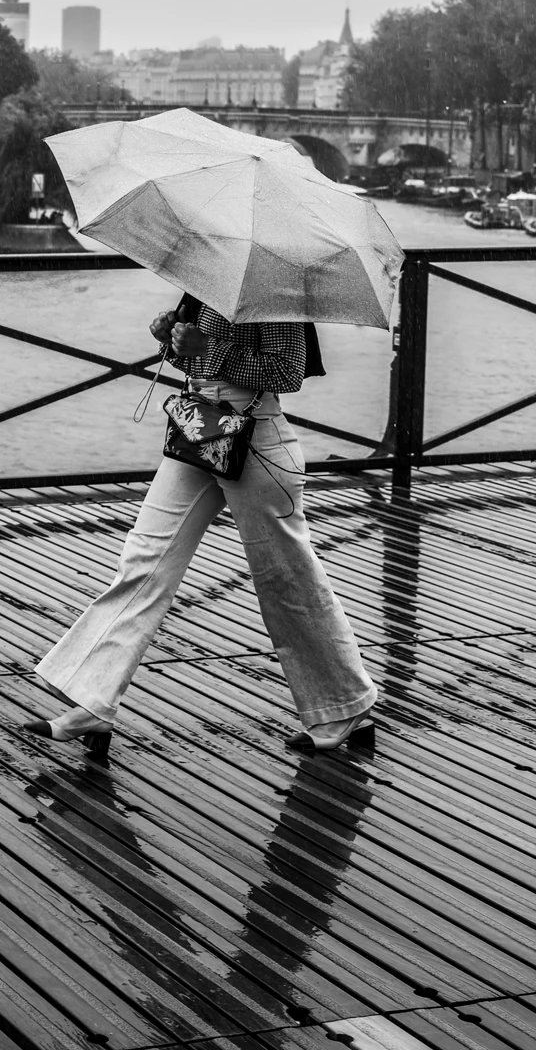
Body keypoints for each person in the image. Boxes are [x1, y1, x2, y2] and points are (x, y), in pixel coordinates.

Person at [21, 297, 377, 756]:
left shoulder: (275, 290)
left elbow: (289, 372)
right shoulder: (207, 280)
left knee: (286, 581)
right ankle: (94, 699)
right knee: (144, 560)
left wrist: (209, 346)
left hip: (258, 444)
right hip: (199, 431)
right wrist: (171, 339)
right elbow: (198, 362)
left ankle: (345, 707)